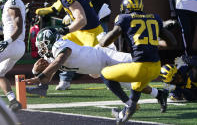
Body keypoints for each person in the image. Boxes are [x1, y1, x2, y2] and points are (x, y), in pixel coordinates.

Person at [23, 27, 168, 112]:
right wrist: (36, 72)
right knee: (130, 85)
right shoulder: (51, 57)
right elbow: (47, 79)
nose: (42, 48)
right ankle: (159, 94)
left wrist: (39, 76)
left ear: (52, 41)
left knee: (139, 61)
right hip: (98, 68)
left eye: (43, 44)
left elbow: (60, 59)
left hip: (105, 57)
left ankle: (169, 66)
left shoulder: (59, 46)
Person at [98, 0, 177, 124]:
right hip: (156, 67)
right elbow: (172, 42)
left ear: (125, 7)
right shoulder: (154, 18)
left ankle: (129, 105)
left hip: (139, 67)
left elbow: (105, 42)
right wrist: (154, 40)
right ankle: (128, 110)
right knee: (136, 85)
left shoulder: (124, 18)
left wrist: (101, 39)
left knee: (104, 74)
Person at [0, 0, 26, 111]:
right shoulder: (15, 2)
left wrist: (7, 42)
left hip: (12, 44)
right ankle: (13, 101)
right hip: (18, 47)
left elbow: (18, 27)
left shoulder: (12, 1)